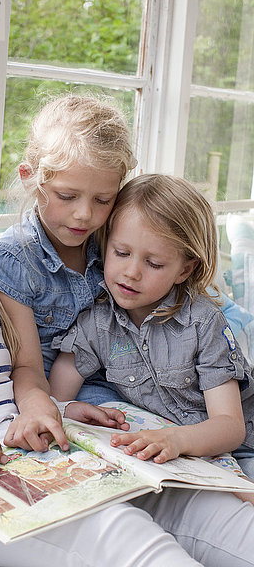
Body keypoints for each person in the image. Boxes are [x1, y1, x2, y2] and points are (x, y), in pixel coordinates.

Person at [0, 89, 254, 567]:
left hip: (37, 439)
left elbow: (22, 370)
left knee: (212, 513)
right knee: (124, 538)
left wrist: (62, 407)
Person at [49, 174, 254, 482]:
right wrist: (65, 409)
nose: (131, 273)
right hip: (175, 461)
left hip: (241, 448)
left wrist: (177, 440)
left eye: (154, 263)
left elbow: (230, 426)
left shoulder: (204, 323)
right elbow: (56, 396)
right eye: (121, 253)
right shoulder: (97, 323)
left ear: (184, 269)